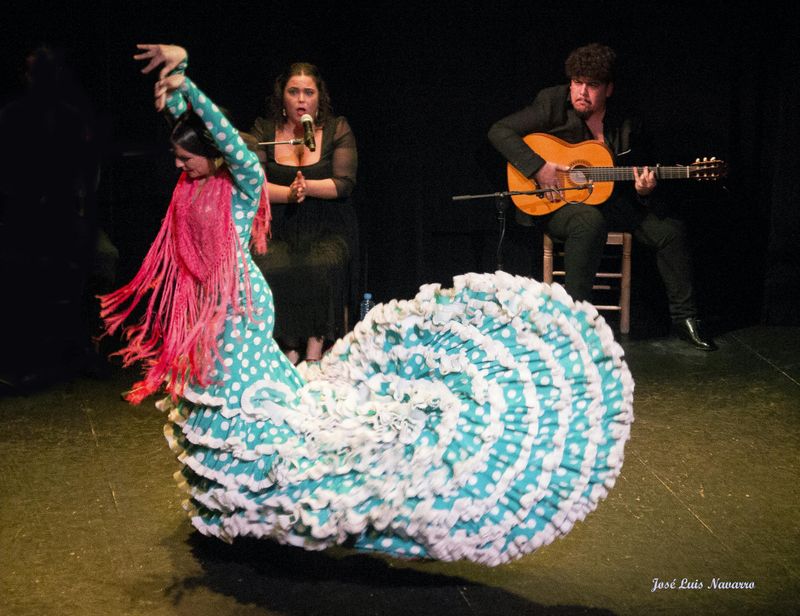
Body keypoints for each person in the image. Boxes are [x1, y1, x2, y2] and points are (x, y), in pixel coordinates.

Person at [101, 43, 634, 567]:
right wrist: (171, 92)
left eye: (186, 155)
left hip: (237, 303)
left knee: (252, 412)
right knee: (221, 400)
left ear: (214, 154)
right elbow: (187, 131)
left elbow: (224, 141)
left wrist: (190, 79)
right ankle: (246, 502)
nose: (177, 162)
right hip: (210, 304)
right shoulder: (192, 179)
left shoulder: (238, 182)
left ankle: (278, 499)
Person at [488, 43, 717, 351]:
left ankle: (686, 319)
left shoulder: (626, 120)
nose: (582, 92)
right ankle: (574, 325)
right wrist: (539, 168)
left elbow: (637, 174)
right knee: (588, 221)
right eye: (577, 82)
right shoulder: (552, 103)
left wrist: (644, 191)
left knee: (670, 231)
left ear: (608, 89)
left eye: (592, 85)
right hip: (557, 202)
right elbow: (499, 131)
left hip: (611, 199)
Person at [250, 63, 358, 365]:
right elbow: (254, 183)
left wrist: (306, 187)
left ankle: (314, 353)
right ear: (281, 97)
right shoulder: (264, 129)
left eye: (308, 93)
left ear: (318, 98)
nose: (301, 100)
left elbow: (344, 184)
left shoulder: (337, 128)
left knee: (320, 265)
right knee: (271, 264)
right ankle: (288, 347)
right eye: (293, 92)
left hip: (326, 224)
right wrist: (288, 193)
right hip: (279, 226)